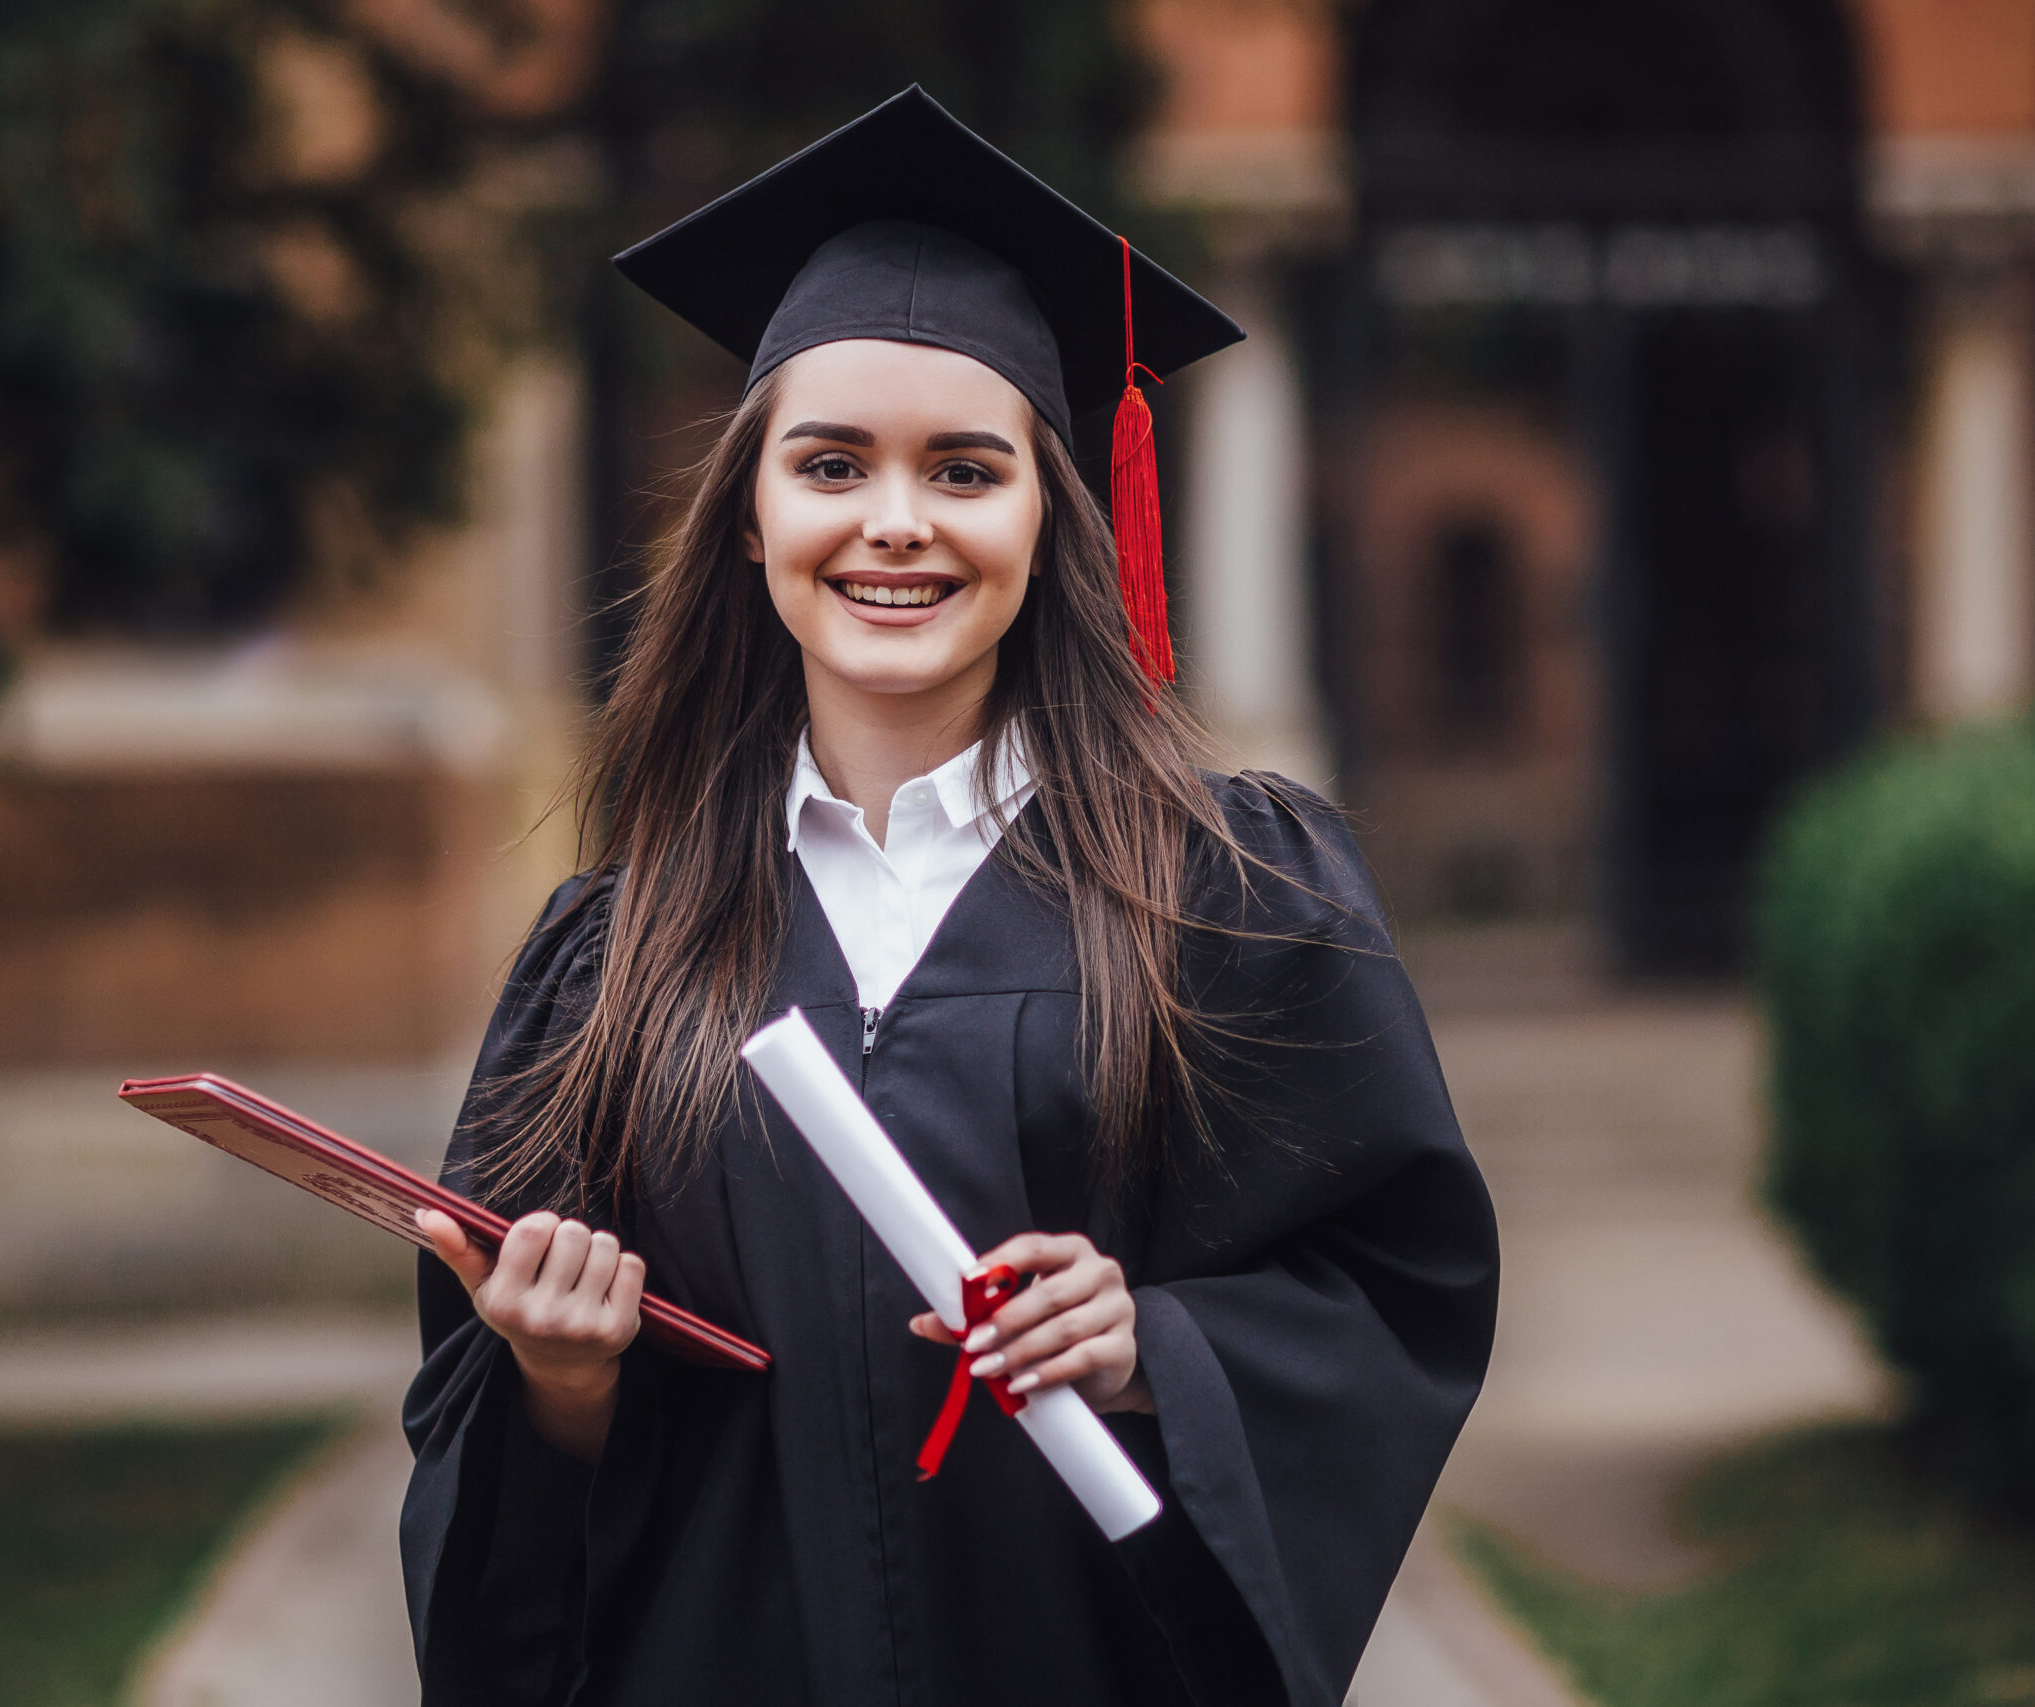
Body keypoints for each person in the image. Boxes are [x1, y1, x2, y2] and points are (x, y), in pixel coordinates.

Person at [400, 87, 1498, 1707]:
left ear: (1053, 512)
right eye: (831, 463)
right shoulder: (618, 956)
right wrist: (558, 1383)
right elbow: (490, 1462)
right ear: (756, 516)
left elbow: (1388, 1290)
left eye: (965, 469)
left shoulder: (1228, 897)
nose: (894, 521)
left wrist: (1154, 1352)